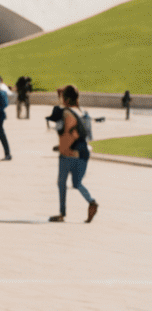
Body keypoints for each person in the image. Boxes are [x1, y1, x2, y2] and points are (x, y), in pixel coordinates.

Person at [51, 85, 98, 224]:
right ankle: (91, 202)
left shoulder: (66, 113)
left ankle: (62, 213)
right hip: (84, 153)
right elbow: (87, 135)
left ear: (65, 98)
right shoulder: (83, 112)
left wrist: (62, 147)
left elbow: (67, 133)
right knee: (77, 183)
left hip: (69, 153)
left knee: (61, 183)